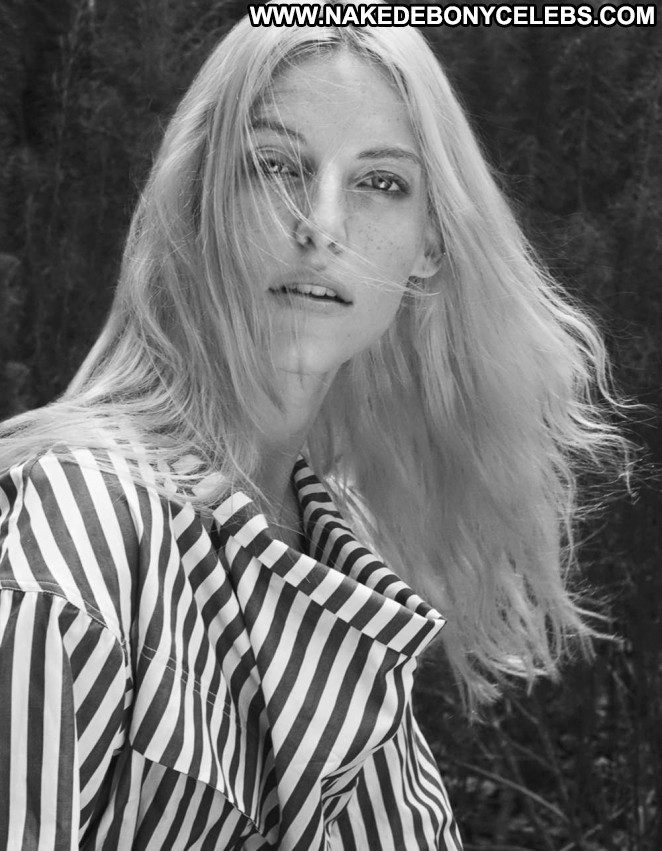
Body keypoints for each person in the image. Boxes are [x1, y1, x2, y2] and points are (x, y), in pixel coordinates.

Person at [0, 8, 628, 850]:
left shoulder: (337, 564)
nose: (321, 225)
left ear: (431, 244)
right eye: (276, 165)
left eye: (380, 183)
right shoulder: (83, 523)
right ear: (199, 200)